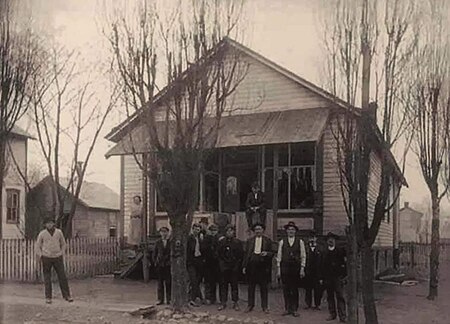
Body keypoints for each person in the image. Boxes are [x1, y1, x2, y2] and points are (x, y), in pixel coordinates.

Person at [36, 217, 73, 304]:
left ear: (54, 224)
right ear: (45, 225)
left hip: (57, 257)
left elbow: (63, 244)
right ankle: (48, 297)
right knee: (47, 278)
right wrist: (41, 255)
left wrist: (61, 253)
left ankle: (67, 295)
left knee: (62, 276)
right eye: (47, 223)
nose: (49, 225)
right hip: (46, 258)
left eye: (51, 223)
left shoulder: (59, 232)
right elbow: (37, 246)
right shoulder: (42, 234)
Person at [276, 221, 306, 317]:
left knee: (294, 289)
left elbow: (303, 256)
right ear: (286, 231)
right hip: (285, 268)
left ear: (295, 231)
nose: (291, 231)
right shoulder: (282, 242)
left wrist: (302, 268)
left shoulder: (300, 242)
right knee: (286, 289)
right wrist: (278, 269)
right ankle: (287, 308)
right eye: (289, 229)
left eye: (292, 229)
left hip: (295, 268)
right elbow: (279, 256)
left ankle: (295, 309)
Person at [242, 223, 274, 313]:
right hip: (252, 266)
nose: (258, 231)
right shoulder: (249, 241)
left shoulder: (268, 241)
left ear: (263, 230)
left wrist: (267, 253)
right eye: (256, 229)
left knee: (264, 287)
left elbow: (272, 253)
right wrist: (244, 266)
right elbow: (246, 254)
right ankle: (250, 305)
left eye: (259, 229)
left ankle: (264, 307)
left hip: (263, 266)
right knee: (251, 287)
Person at [320, 232, 347, 323]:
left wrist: (344, 275)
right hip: (328, 278)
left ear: (335, 241)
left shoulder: (340, 251)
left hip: (337, 277)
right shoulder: (324, 252)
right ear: (327, 241)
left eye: (332, 239)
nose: (331, 241)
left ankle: (342, 316)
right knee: (330, 296)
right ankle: (332, 314)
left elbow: (344, 264)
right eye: (329, 240)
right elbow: (321, 266)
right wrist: (322, 278)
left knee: (340, 296)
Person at [217, 224, 244, 311]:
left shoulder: (237, 242)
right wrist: (222, 265)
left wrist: (236, 266)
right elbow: (219, 254)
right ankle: (223, 302)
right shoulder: (221, 242)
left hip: (234, 267)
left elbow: (240, 256)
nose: (229, 232)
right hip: (224, 267)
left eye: (231, 231)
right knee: (223, 285)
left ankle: (235, 302)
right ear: (225, 232)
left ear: (233, 232)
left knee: (234, 285)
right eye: (228, 231)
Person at [187, 223, 206, 307]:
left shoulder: (201, 238)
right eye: (195, 229)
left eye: (198, 230)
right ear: (192, 229)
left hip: (199, 261)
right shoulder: (189, 238)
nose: (196, 231)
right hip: (191, 262)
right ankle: (192, 299)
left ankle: (197, 297)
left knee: (197, 281)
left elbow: (204, 249)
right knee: (193, 280)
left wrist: (202, 240)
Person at [304, 231, 323, 310]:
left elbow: (322, 261)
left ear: (316, 238)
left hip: (317, 272)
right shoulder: (305, 248)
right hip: (308, 271)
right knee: (308, 288)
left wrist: (321, 274)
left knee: (317, 289)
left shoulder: (320, 248)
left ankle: (317, 304)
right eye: (310, 237)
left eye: (313, 237)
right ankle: (308, 304)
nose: (312, 239)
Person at [153, 227, 171, 305]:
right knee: (160, 283)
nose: (164, 234)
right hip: (160, 265)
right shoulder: (158, 242)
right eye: (162, 232)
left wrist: (169, 262)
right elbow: (155, 253)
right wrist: (156, 262)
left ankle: (169, 299)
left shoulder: (170, 242)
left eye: (165, 232)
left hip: (168, 265)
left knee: (168, 282)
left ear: (168, 233)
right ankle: (160, 299)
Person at [204, 224, 220, 305]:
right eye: (212, 230)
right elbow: (204, 250)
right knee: (207, 281)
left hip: (216, 263)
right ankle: (207, 297)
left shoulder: (219, 239)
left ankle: (213, 298)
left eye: (215, 230)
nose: (213, 232)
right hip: (208, 263)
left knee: (214, 281)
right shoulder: (206, 239)